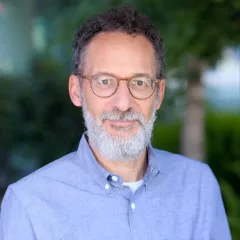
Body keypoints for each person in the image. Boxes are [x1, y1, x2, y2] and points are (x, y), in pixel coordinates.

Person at [0, 5, 231, 240]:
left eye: (139, 83)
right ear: (76, 91)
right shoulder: (28, 204)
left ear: (159, 94)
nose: (123, 104)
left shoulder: (198, 184)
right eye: (104, 81)